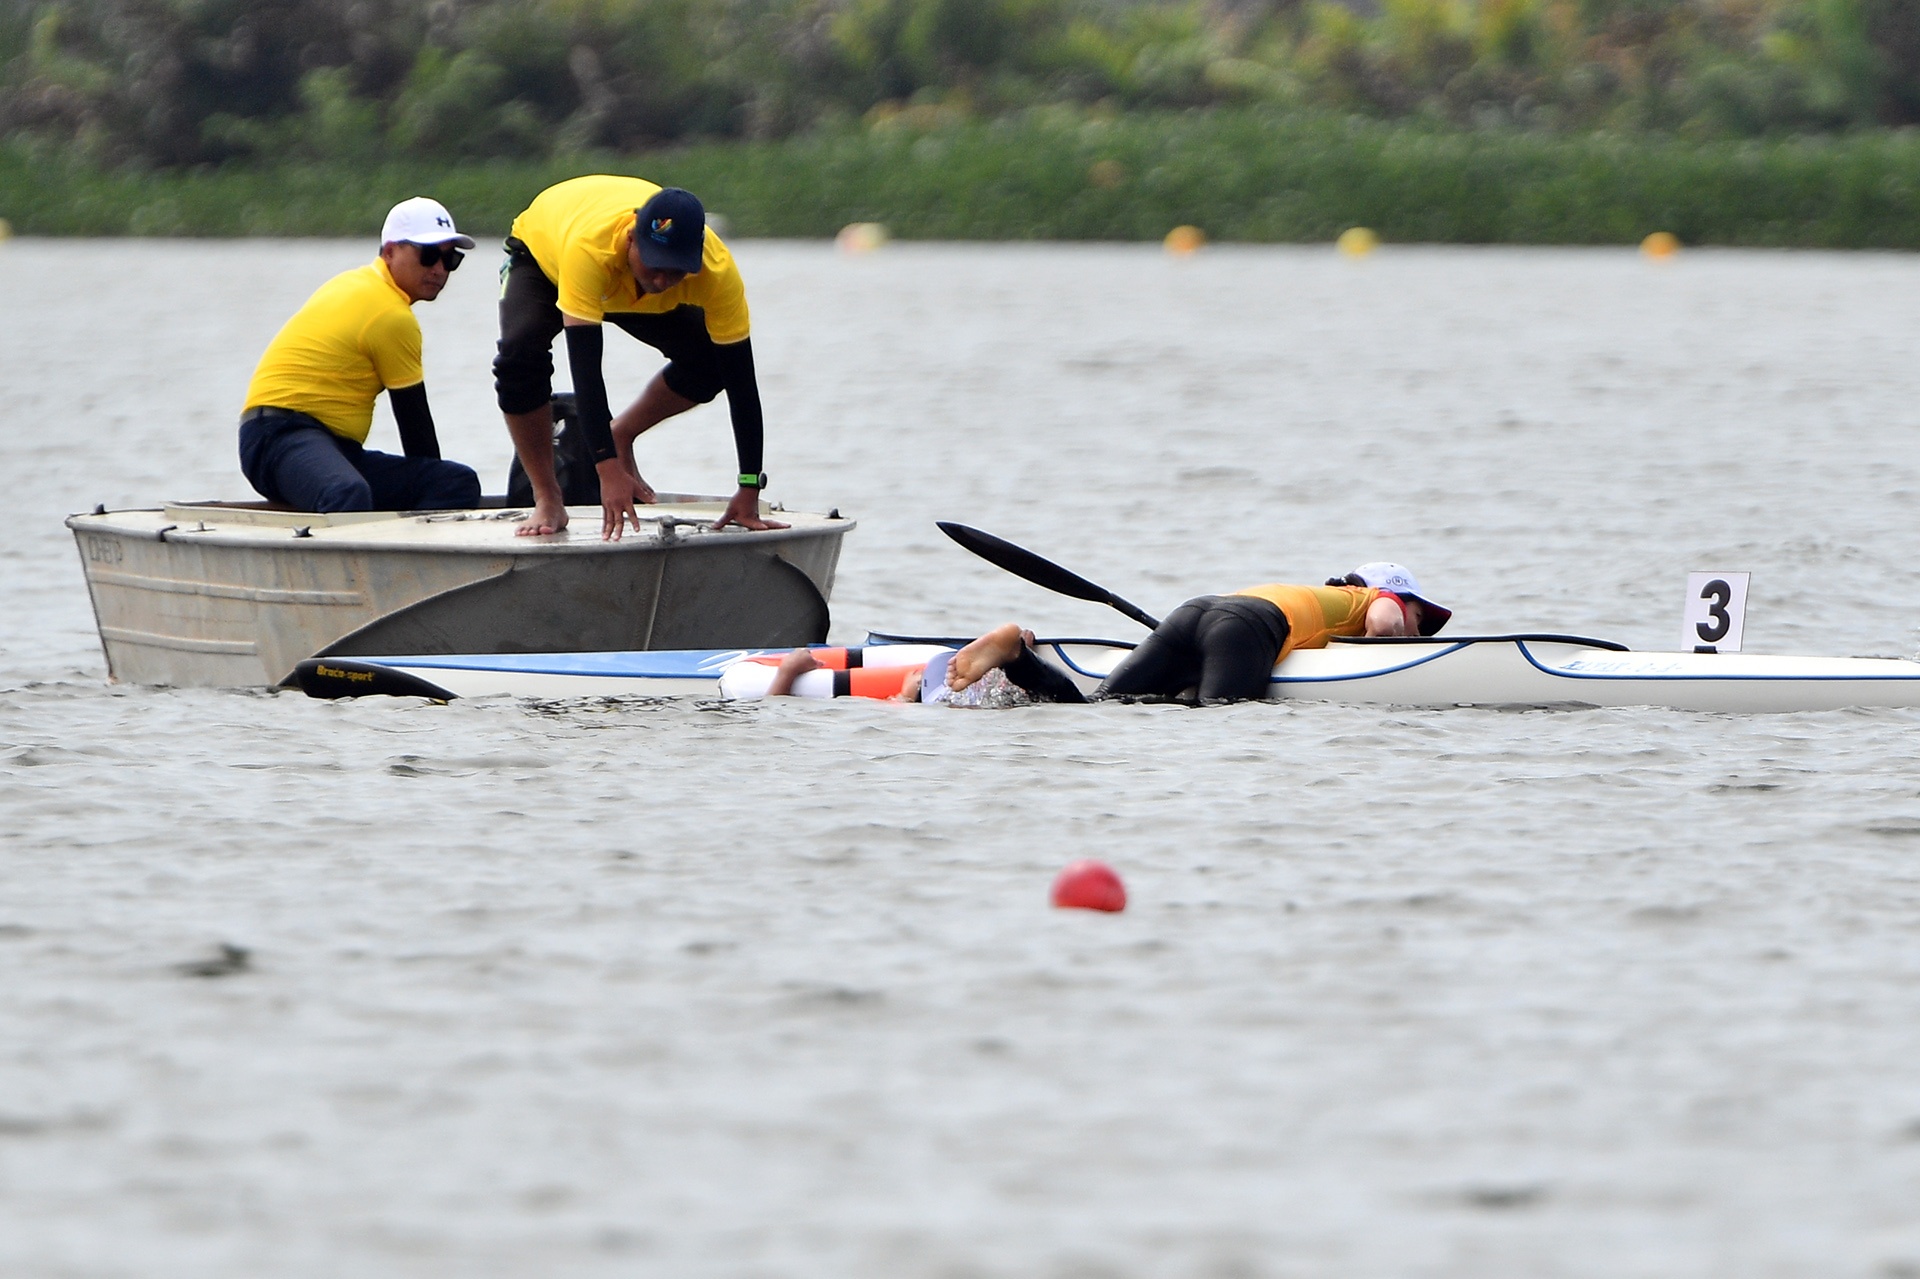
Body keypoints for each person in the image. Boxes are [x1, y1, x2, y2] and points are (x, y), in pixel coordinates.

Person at [493, 174, 788, 540]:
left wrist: (748, 489)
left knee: (713, 365)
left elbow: (743, 384)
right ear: (632, 238)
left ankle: (623, 433)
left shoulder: (717, 272)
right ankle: (548, 497)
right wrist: (608, 470)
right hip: (545, 257)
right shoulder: (590, 250)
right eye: (655, 264)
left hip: (622, 282)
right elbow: (587, 372)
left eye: (676, 270)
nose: (663, 281)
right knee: (519, 357)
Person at [761, 562, 1453, 706]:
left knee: (1107, 712)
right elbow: (1391, 621)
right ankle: (1014, 659)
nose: (1424, 626)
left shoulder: (1307, 592)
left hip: (1200, 608)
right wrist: (1406, 660)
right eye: (1430, 614)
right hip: (1244, 628)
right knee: (1223, 719)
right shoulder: (1376, 600)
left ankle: (1020, 660)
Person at [239, 197, 481, 513]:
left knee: (456, 482)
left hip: (332, 447)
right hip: (278, 437)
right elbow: (415, 427)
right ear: (391, 251)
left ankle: (400, 557)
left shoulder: (355, 282)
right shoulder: (389, 314)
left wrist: (430, 481)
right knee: (347, 493)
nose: (439, 269)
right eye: (429, 255)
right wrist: (424, 483)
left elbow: (420, 449)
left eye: (450, 260)